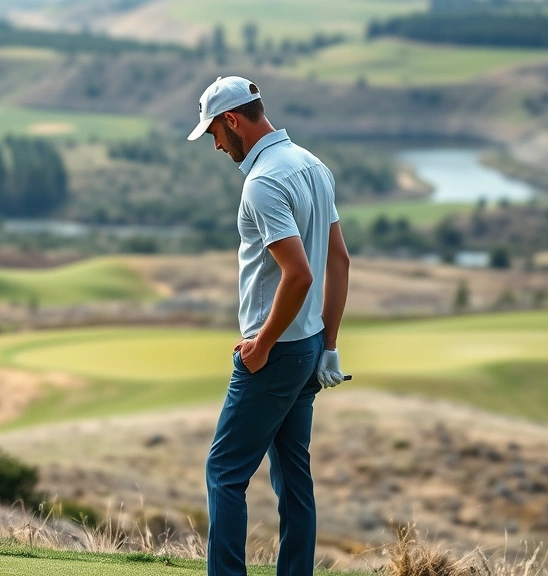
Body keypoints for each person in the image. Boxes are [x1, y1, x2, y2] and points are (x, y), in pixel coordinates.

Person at [188, 76, 351, 576]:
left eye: (214, 131)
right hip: (306, 351)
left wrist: (262, 345)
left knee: (224, 472)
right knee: (293, 479)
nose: (215, 144)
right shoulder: (311, 165)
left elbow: (299, 274)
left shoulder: (262, 182)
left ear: (233, 120)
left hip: (275, 353)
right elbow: (340, 262)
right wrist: (327, 346)